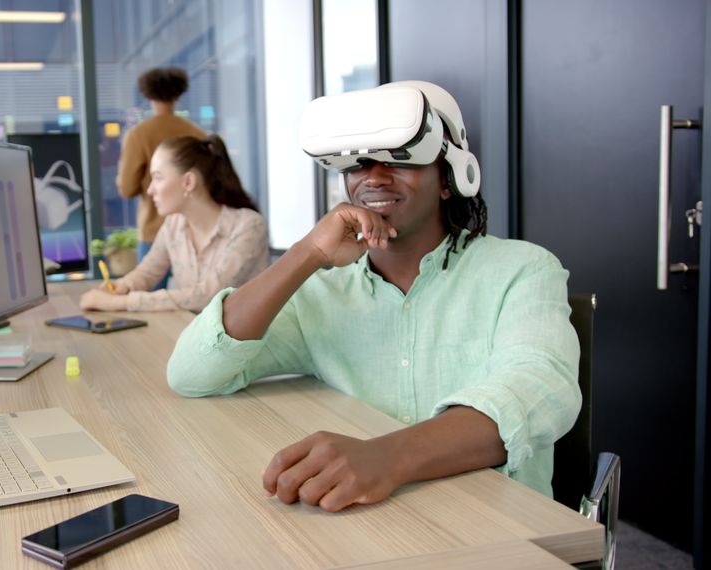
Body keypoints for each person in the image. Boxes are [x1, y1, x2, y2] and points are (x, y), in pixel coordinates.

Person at [166, 81, 580, 512]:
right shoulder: (322, 292)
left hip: (497, 525)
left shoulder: (523, 270)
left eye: (401, 158)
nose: (375, 176)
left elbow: (540, 391)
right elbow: (192, 373)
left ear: (448, 178)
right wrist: (307, 253)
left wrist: (386, 457)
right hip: (369, 525)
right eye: (359, 163)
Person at [80, 134, 269, 313]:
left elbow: (210, 296)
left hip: (240, 344)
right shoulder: (173, 225)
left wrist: (121, 303)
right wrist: (124, 285)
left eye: (158, 177)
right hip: (192, 334)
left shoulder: (249, 226)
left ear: (188, 182)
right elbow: (148, 271)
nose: (150, 190)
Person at [117, 67, 206, 288]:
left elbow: (127, 188)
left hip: (153, 230)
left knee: (150, 303)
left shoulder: (139, 134)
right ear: (179, 94)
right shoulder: (197, 133)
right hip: (196, 229)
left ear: (148, 95)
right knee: (197, 304)